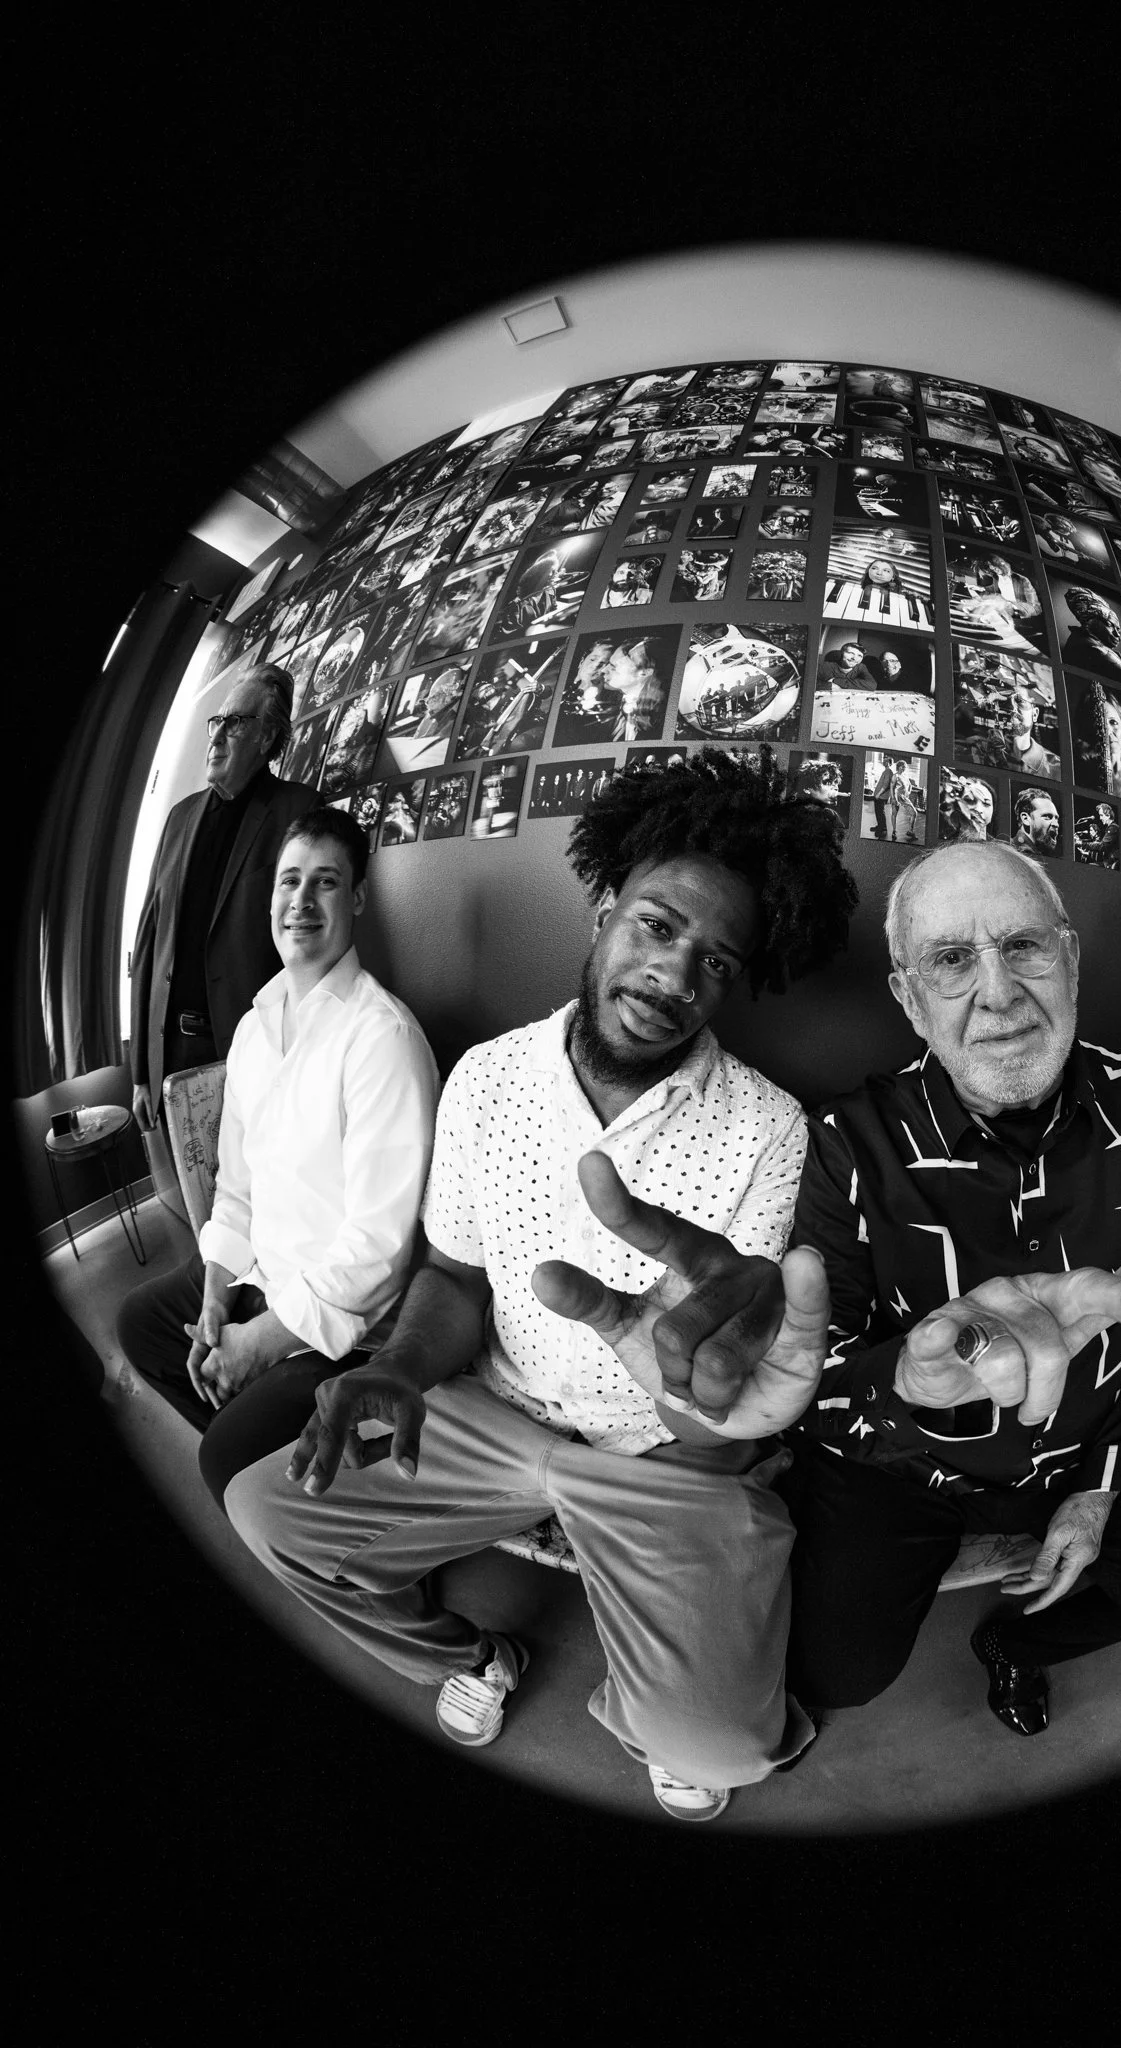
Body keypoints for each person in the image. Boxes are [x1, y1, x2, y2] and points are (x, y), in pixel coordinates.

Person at [222, 753, 858, 1821]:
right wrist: (401, 1367)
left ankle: (660, 1700)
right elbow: (457, 1273)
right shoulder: (487, 1077)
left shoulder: (769, 1128)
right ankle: (478, 1650)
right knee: (269, 1513)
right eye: (658, 927)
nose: (673, 977)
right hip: (489, 1408)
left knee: (721, 1749)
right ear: (605, 905)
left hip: (660, 1456)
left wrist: (690, 1395)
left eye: (715, 961)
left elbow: (721, 1408)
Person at [778, 842, 1121, 1736]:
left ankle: (1018, 1649)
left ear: (1070, 961)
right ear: (907, 997)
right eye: (952, 960)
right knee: (833, 1672)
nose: (997, 992)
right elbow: (819, 1383)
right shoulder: (849, 1140)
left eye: (1025, 947)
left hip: (1091, 1437)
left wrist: (1102, 1486)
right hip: (910, 1462)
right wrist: (913, 1392)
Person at [116, 808, 438, 1509]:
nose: (301, 901)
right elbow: (236, 1188)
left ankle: (288, 1480)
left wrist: (257, 1344)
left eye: (325, 883)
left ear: (354, 900)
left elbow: (379, 1250)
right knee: (141, 1326)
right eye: (290, 881)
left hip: (340, 1329)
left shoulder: (381, 1038)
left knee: (219, 1462)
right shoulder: (253, 1030)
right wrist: (213, 1305)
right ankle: (275, 1455)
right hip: (260, 1276)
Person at [129, 663, 318, 1139]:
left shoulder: (299, 812)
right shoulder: (178, 818)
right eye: (218, 721)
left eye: (236, 723)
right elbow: (149, 942)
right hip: (169, 1049)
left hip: (248, 1046)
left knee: (255, 1187)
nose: (216, 737)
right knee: (195, 1190)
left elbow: (310, 951)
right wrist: (140, 1072)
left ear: (268, 735)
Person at [1012, 788, 1059, 855]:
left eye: (1056, 818)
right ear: (1025, 819)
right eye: (1047, 817)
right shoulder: (1012, 851)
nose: (1056, 824)